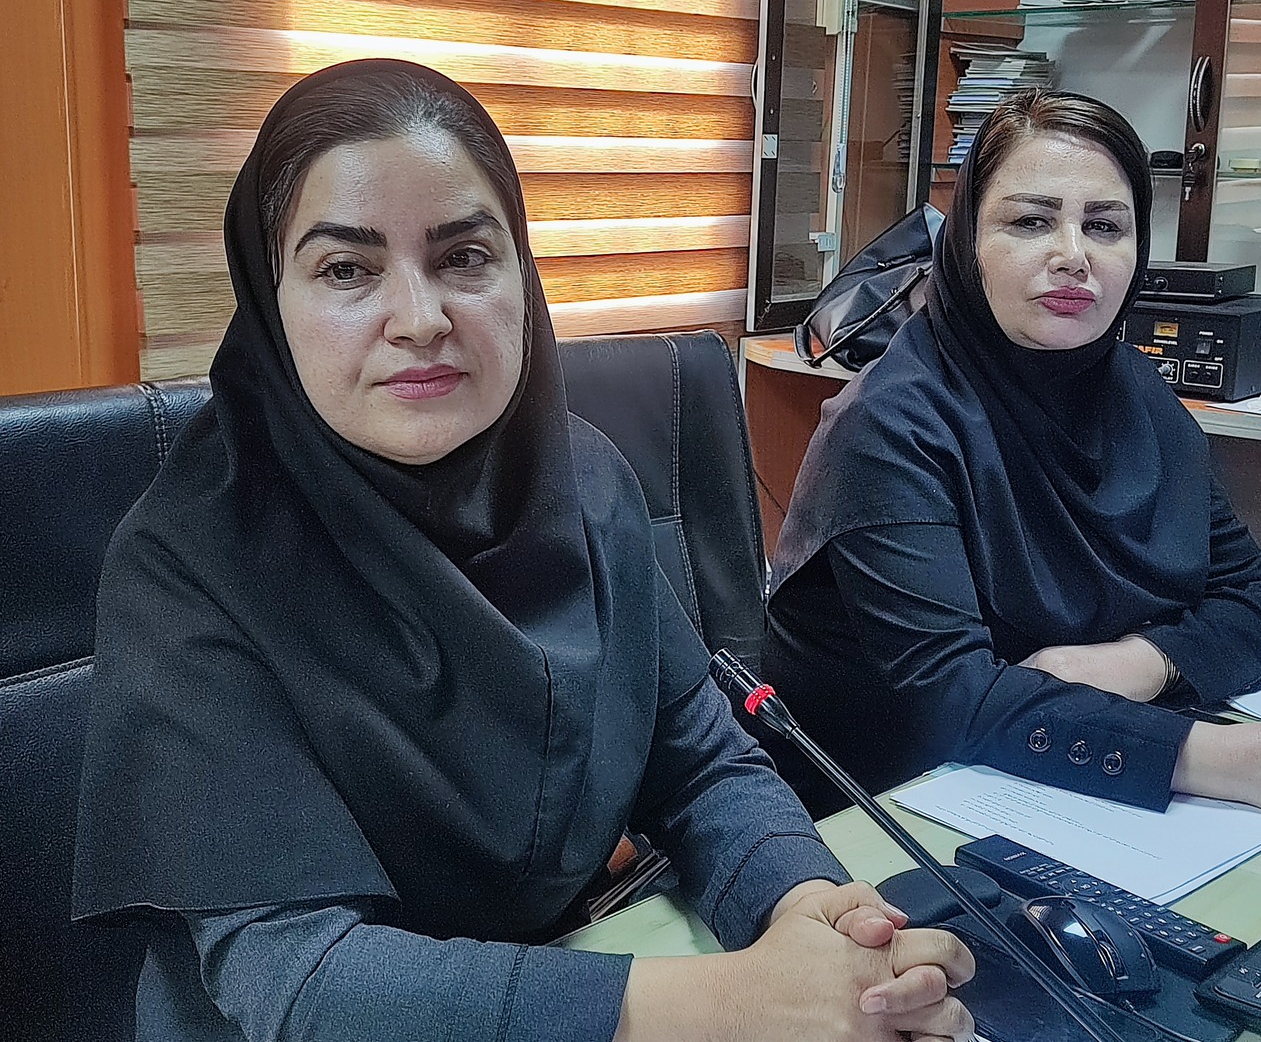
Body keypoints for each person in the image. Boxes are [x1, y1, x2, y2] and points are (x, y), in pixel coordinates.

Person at [72, 59, 976, 1042]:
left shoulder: (584, 480)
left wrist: (809, 912)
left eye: (464, 256)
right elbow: (296, 975)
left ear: (522, 272)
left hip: (567, 980)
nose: (420, 319)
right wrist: (736, 1004)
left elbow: (695, 757)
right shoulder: (187, 564)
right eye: (346, 269)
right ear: (269, 295)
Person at [761, 90, 1261, 825]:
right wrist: (1231, 760)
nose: (1074, 256)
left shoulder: (1135, 393)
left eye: (1105, 226)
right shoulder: (890, 425)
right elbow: (951, 700)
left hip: (1076, 778)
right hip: (887, 811)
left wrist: (1131, 663)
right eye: (1031, 222)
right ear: (967, 244)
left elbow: (1258, 600)